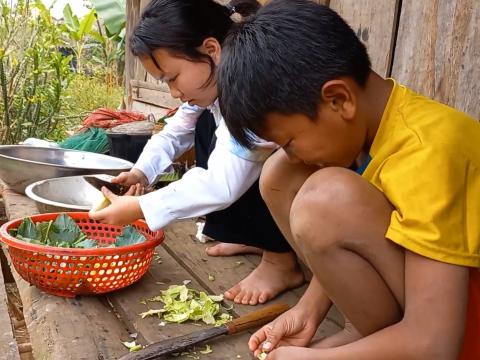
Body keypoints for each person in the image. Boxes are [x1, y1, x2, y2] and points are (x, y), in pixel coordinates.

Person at [217, 0, 480, 358]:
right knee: (280, 174)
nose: (293, 154)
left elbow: (436, 344)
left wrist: (313, 359)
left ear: (339, 99)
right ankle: (364, 332)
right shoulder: (376, 120)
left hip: (458, 329)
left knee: (323, 201)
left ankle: (386, 342)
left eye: (290, 141)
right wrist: (307, 310)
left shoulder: (427, 153)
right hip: (434, 303)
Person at [89, 0, 305, 306]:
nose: (174, 93)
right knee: (203, 125)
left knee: (255, 164)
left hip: (304, 181)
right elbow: (174, 133)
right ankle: (254, 238)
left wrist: (140, 207)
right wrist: (141, 172)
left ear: (211, 51)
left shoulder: (251, 92)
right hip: (253, 173)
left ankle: (280, 260)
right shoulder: (212, 85)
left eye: (172, 78)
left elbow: (221, 184)